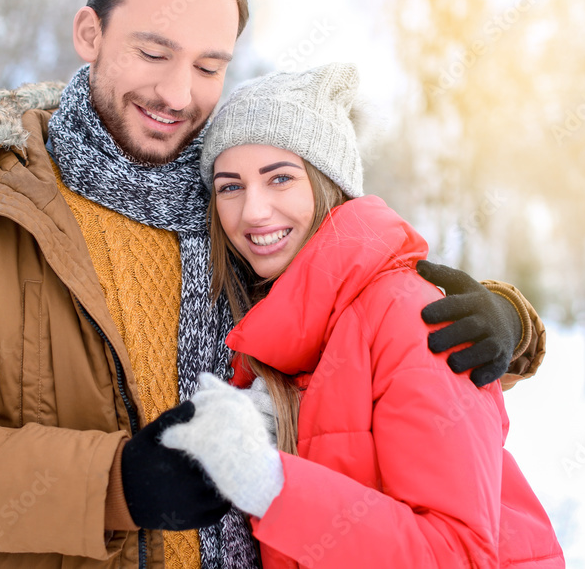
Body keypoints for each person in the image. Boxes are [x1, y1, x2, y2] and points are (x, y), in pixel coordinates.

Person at [0, 0, 546, 569]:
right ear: (90, 33)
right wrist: (114, 483)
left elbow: (361, 328)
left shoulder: (237, 206)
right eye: (153, 52)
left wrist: (507, 324)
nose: (178, 92)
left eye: (209, 66)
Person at [161, 62, 564, 568]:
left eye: (280, 178)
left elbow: (457, 554)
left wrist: (271, 484)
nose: (254, 211)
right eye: (230, 186)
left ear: (330, 183)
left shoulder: (409, 316)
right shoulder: (271, 326)